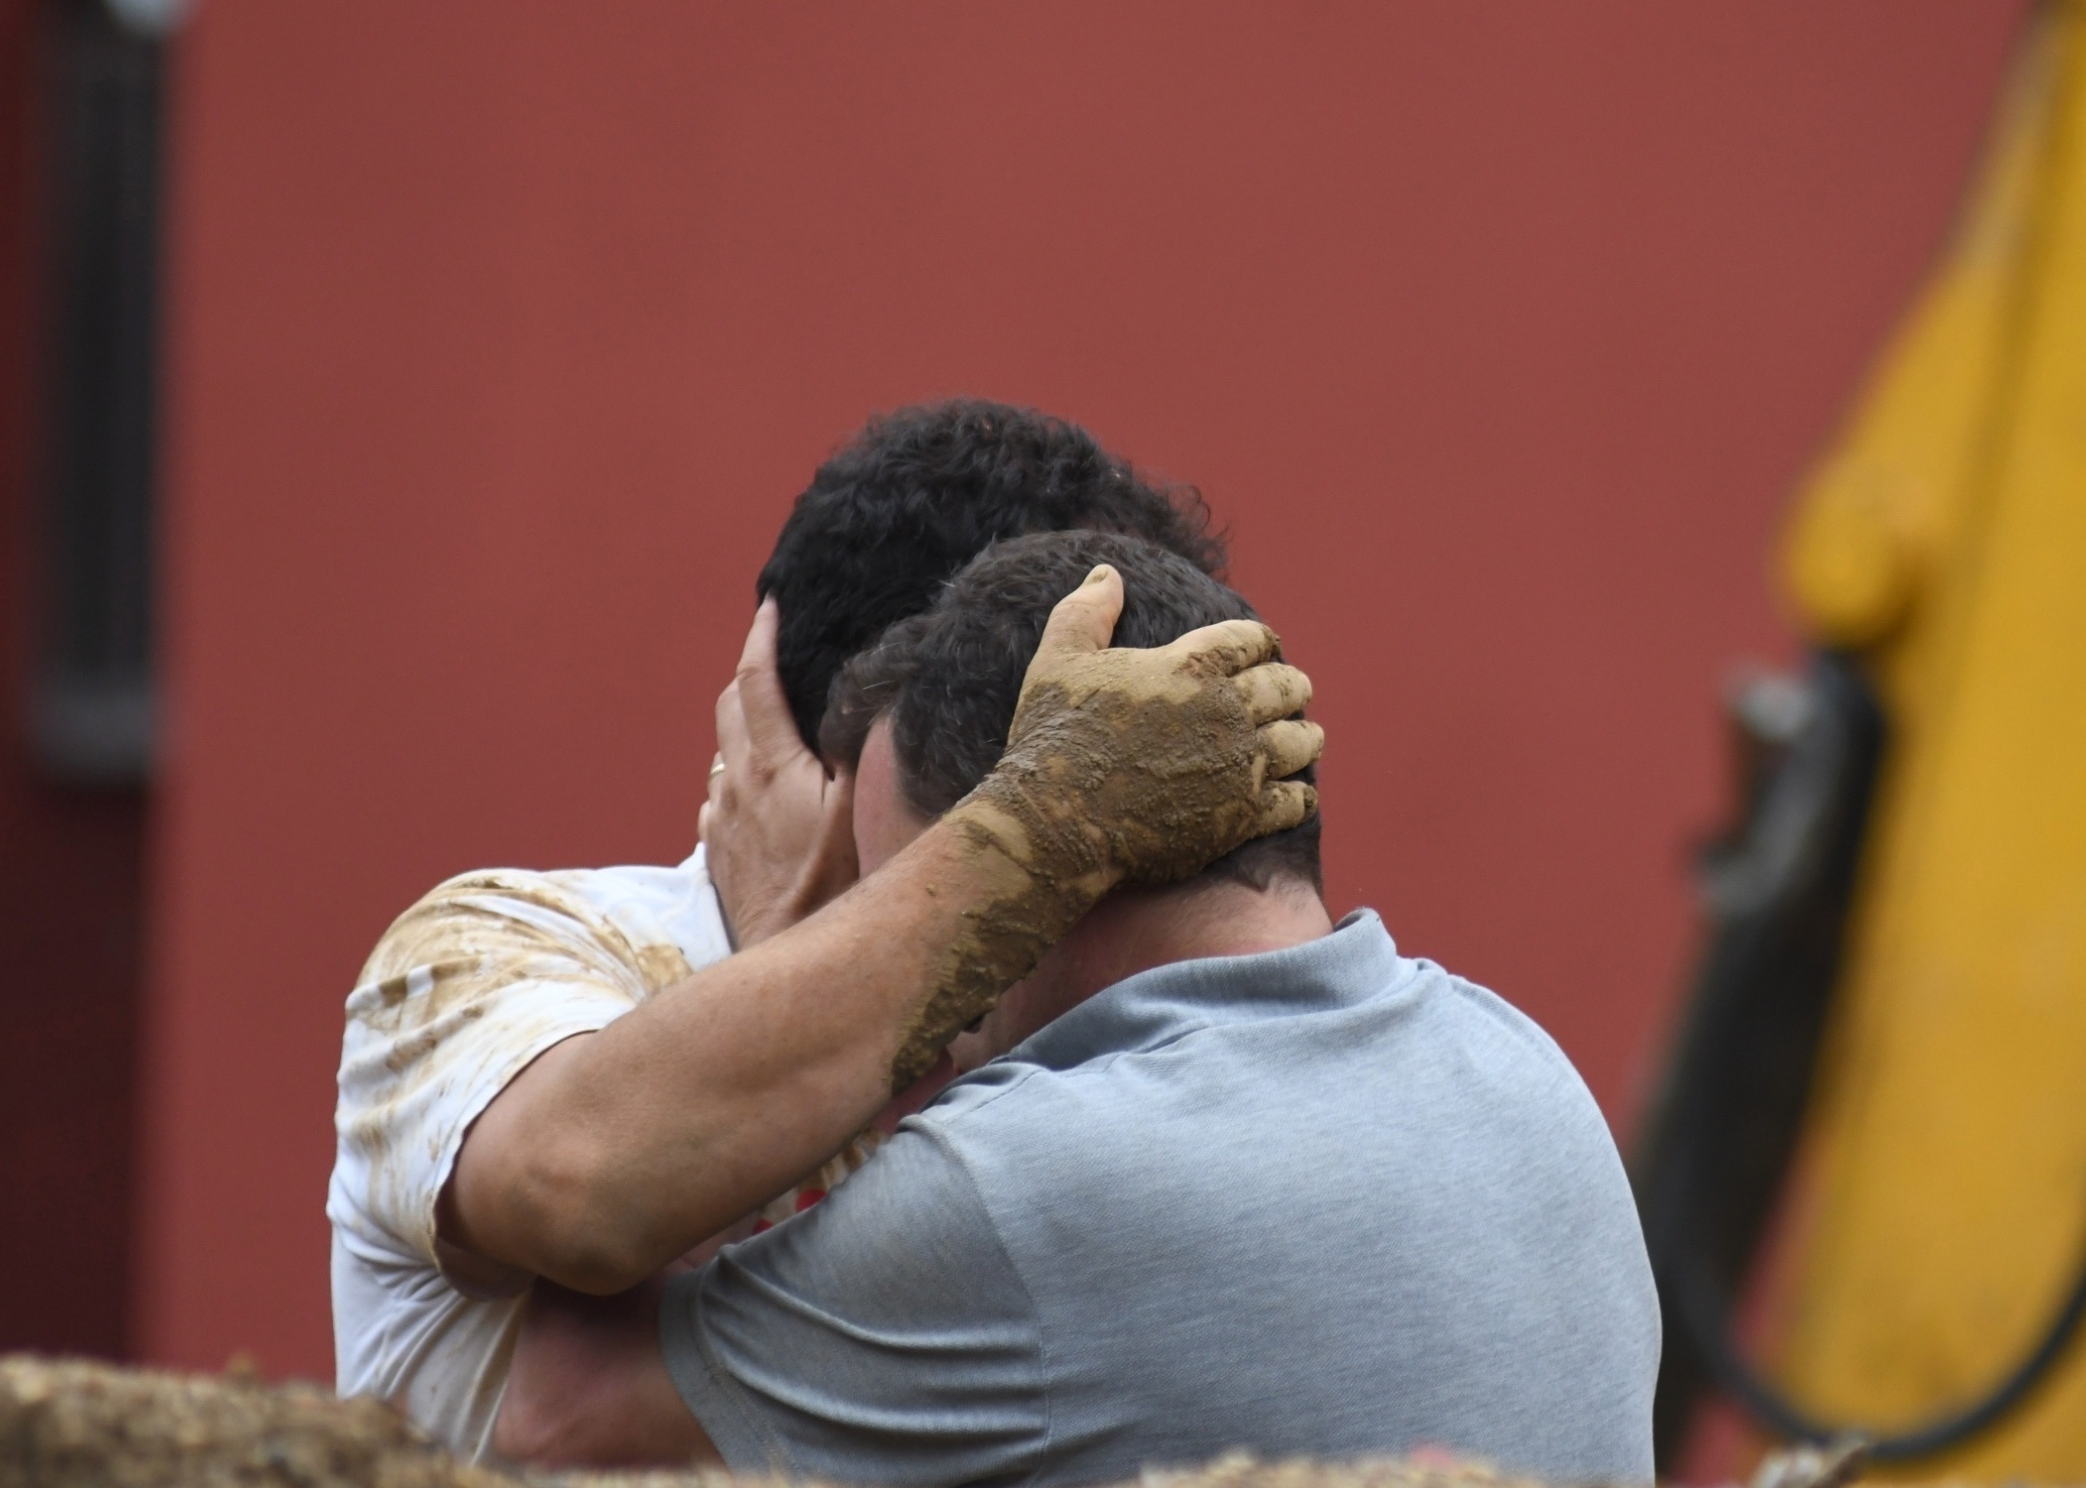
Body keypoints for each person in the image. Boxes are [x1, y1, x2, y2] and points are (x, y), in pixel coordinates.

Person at [494, 529, 1661, 1488]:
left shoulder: (1019, 1190)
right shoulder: (1523, 1067)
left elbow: (559, 1413)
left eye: (898, 888)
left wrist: (786, 948)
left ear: (1035, 858)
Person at [328, 401, 1317, 1457]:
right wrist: (791, 942)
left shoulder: (1101, 1007)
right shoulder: (504, 950)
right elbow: (578, 1194)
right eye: (1103, 737)